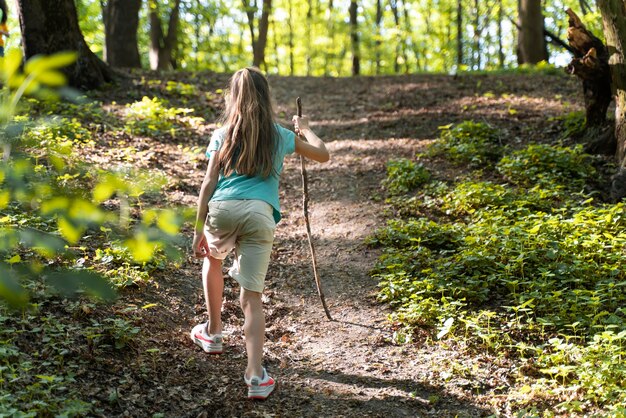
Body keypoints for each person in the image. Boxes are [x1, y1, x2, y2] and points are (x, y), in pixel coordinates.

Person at [190, 67, 330, 400]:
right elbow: (323, 154)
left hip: (222, 209)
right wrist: (306, 129)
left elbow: (208, 182)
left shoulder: (222, 134)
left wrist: (198, 228)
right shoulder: (279, 134)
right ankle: (254, 375)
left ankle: (213, 332)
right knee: (251, 296)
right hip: (258, 214)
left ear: (232, 98)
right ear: (265, 97)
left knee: (212, 259)